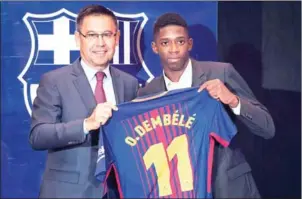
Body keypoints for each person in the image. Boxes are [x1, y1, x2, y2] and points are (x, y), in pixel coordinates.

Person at [138, 13, 275, 198]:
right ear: (155, 47)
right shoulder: (148, 93)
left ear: (189, 44)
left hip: (227, 186)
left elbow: (267, 128)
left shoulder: (221, 73)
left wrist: (232, 100)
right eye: (165, 43)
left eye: (180, 41)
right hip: (179, 190)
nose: (173, 49)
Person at [29, 4, 138, 198]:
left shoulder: (129, 83)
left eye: (107, 34)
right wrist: (88, 124)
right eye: (92, 35)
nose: (100, 43)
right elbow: (38, 136)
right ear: (78, 39)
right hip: (68, 192)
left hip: (116, 191)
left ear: (117, 38)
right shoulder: (54, 81)